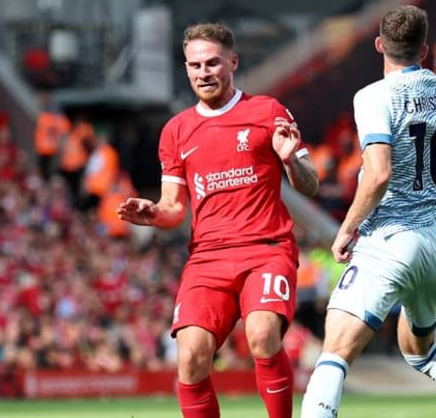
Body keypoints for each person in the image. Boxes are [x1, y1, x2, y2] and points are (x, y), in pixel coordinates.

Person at [300, 5, 436, 418]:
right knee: (420, 352)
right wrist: (431, 188)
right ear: (424, 49)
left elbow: (378, 175)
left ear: (380, 45)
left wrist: (346, 229)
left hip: (391, 237)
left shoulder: (373, 96)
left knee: (336, 347)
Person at [117, 22, 319, 418]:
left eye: (212, 63)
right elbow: (175, 208)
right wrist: (155, 214)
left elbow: (309, 185)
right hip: (207, 259)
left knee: (262, 335)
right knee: (190, 357)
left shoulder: (267, 112)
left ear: (233, 63)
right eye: (194, 65)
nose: (203, 73)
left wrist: (292, 158)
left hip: (266, 249)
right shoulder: (176, 130)